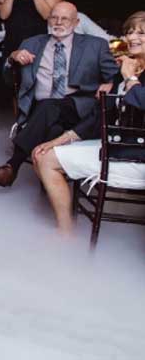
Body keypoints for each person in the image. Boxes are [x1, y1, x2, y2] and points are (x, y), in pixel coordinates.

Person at [0, 1, 118, 187]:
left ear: (76, 22)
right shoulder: (31, 44)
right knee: (52, 127)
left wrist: (109, 83)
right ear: (48, 19)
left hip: (77, 108)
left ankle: (12, 165)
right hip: (40, 110)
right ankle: (52, 190)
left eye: (65, 19)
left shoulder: (95, 45)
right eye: (54, 17)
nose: (58, 22)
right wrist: (12, 59)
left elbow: (116, 75)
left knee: (50, 106)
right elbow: (8, 80)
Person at [32, 12, 145, 232]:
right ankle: (66, 229)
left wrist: (130, 79)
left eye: (141, 33)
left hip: (136, 155)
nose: (132, 38)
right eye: (129, 32)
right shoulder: (127, 69)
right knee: (40, 153)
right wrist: (63, 139)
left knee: (46, 161)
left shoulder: (130, 74)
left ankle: (65, 234)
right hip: (117, 145)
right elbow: (100, 116)